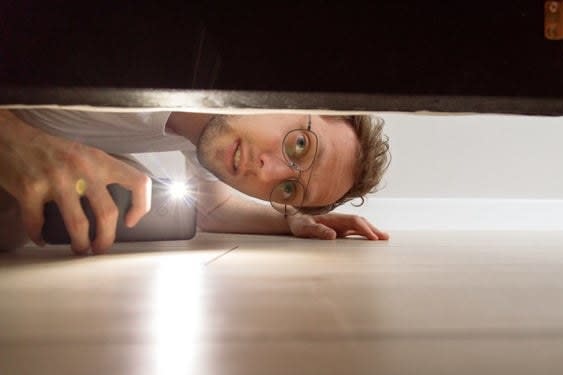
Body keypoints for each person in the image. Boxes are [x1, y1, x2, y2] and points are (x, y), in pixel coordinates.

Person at [0, 109, 391, 254]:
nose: (266, 171)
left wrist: (288, 219)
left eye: (287, 188)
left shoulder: (201, 133)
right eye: (301, 145)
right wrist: (13, 138)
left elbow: (213, 208)